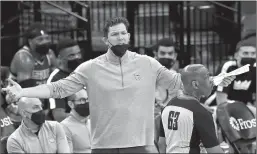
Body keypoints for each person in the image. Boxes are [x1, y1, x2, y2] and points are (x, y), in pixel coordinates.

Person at [3, 16, 235, 153]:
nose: (121, 38)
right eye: (115, 35)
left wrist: (215, 80)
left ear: (129, 36)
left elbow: (180, 82)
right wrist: (22, 90)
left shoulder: (148, 64)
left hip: (142, 146)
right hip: (104, 147)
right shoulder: (90, 67)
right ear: (106, 40)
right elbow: (58, 88)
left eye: (124, 34)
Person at [158, 64, 224, 153]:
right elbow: (215, 152)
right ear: (195, 84)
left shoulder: (168, 105)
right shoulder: (201, 113)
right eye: (208, 77)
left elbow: (161, 144)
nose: (211, 81)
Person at [9, 22, 57, 111]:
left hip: (41, 100)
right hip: (18, 103)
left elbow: (57, 79)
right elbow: (26, 90)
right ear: (30, 42)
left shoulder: (50, 54)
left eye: (46, 38)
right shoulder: (23, 57)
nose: (45, 42)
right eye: (40, 39)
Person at [215, 37, 256, 115]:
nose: (249, 56)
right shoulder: (228, 67)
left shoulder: (255, 69)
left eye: (253, 53)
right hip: (217, 107)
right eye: (245, 53)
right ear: (236, 55)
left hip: (245, 110)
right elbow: (221, 102)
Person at [47, 38, 83, 122]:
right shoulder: (55, 81)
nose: (77, 57)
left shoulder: (84, 72)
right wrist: (89, 117)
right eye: (71, 55)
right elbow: (59, 116)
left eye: (78, 54)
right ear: (60, 58)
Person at [61, 89, 91, 153]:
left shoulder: (93, 124)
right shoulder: (64, 127)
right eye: (82, 100)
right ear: (71, 104)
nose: (86, 102)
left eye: (88, 99)